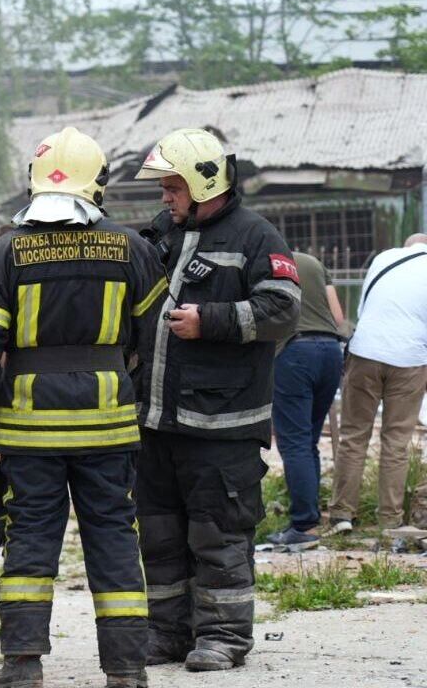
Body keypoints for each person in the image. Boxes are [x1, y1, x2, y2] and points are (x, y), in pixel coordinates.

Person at [0, 127, 167, 688]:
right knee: (115, 537)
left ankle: (22, 664)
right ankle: (126, 668)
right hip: (108, 425)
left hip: (29, 430)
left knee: (31, 540)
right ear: (97, 184)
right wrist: (136, 397)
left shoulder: (6, 251)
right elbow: (156, 337)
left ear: (35, 182)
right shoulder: (131, 247)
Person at [133, 128, 300, 671]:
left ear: (207, 184)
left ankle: (224, 638)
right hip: (157, 421)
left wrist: (211, 320)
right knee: (158, 536)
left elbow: (283, 313)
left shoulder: (257, 237)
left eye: (174, 187)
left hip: (223, 425)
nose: (166, 197)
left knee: (218, 534)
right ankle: (166, 636)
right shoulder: (162, 234)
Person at [327, 233, 427, 532]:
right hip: (410, 357)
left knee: (353, 436)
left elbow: (363, 310)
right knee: (396, 441)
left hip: (365, 352)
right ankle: (390, 520)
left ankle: (342, 516)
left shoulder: (383, 259)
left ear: (407, 247)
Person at [268, 251, 345, 550]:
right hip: (329, 351)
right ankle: (309, 518)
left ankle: (303, 525)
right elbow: (338, 317)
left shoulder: (266, 260)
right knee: (308, 439)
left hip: (294, 352)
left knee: (295, 442)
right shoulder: (313, 263)